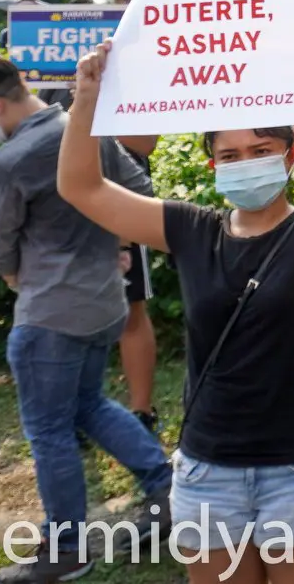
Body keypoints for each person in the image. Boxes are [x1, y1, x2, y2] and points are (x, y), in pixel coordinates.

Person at [57, 33, 294, 583]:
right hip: (208, 469)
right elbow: (80, 186)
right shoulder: (191, 230)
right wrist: (86, 99)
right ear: (212, 163)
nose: (246, 164)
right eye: (230, 155)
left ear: (290, 155)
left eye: (261, 151)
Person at [0, 55, 171, 583]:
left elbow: (0, 252)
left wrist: (22, 275)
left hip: (50, 311)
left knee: (49, 429)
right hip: (105, 302)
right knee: (87, 404)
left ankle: (66, 548)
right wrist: (109, 244)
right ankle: (165, 487)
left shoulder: (10, 162)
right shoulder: (86, 129)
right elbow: (140, 196)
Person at [115, 136, 162, 436]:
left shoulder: (128, 87)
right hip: (61, 214)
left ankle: (141, 413)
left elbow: (145, 143)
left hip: (123, 208)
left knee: (131, 311)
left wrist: (85, 116)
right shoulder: (47, 87)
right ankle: (72, 411)